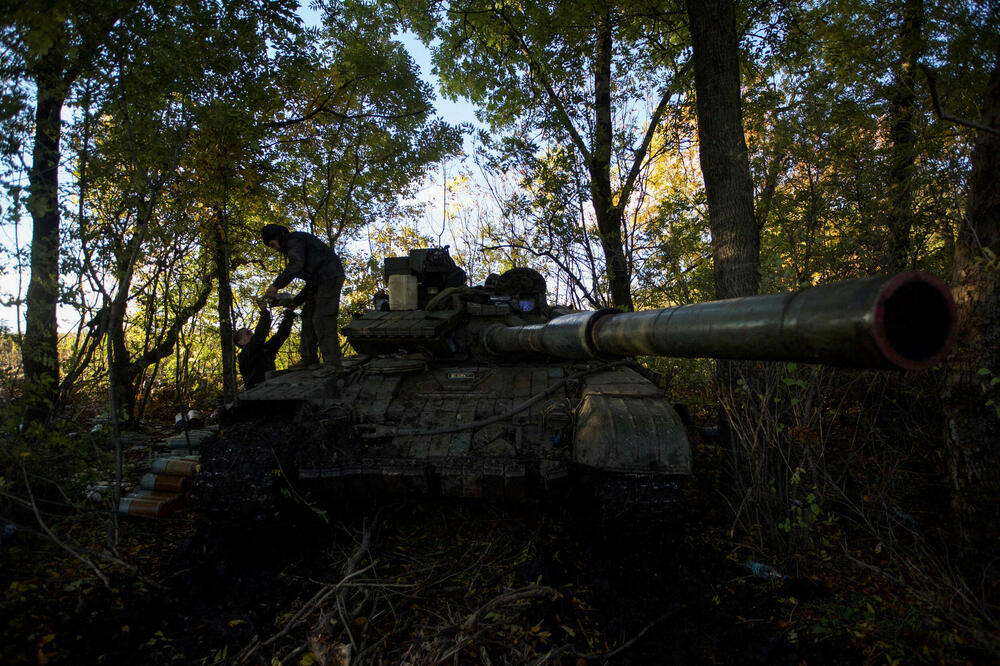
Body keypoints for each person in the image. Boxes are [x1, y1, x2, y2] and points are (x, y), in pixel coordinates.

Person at [260, 223, 345, 367]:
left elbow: (297, 264)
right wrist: (297, 301)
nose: (275, 249)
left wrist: (276, 285)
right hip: (319, 281)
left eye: (272, 245)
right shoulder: (296, 245)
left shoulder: (294, 241)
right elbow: (311, 281)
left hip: (329, 277)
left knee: (322, 318)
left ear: (278, 237)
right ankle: (308, 358)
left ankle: (332, 364)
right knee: (307, 315)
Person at [234, 306, 296, 389]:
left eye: (251, 332)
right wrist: (264, 312)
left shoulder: (263, 349)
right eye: (248, 333)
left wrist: (289, 314)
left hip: (272, 387)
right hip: (255, 392)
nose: (251, 333)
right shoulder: (244, 355)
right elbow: (259, 335)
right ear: (240, 342)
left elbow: (280, 336)